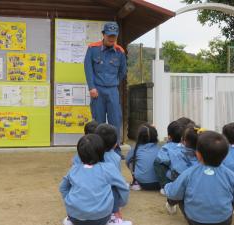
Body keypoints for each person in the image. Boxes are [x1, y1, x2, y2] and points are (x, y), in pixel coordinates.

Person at [165, 131, 234, 225]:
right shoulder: (229, 174)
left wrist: (167, 186)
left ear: (198, 154)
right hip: (223, 221)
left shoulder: (189, 173)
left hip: (195, 220)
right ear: (225, 155)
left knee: (180, 191)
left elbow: (173, 193)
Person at [59, 134, 131, 225]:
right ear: (102, 151)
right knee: (112, 188)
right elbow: (124, 187)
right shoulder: (108, 168)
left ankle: (70, 221)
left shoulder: (74, 169)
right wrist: (120, 204)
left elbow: (62, 187)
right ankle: (113, 221)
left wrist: (70, 202)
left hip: (75, 217)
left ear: (79, 153)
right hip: (101, 217)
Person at [84, 21, 127, 158]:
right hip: (97, 91)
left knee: (116, 120)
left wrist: (113, 83)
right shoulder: (92, 48)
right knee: (98, 121)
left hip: (112, 90)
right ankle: (98, 149)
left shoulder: (120, 52)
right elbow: (88, 69)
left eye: (114, 36)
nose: (111, 39)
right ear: (103, 34)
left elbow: (122, 72)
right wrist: (92, 87)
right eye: (109, 36)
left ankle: (116, 150)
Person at [165, 126, 201, 214]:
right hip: (201, 189)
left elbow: (178, 173)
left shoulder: (177, 153)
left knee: (175, 184)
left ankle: (171, 203)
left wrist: (167, 186)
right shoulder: (205, 156)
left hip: (186, 189)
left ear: (183, 141)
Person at [126, 124, 160, 191]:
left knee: (131, 160)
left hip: (143, 183)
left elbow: (127, 160)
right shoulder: (159, 148)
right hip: (159, 183)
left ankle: (136, 182)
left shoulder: (136, 148)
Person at [154, 120, 184, 195]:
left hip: (175, 176)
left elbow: (163, 160)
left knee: (157, 163)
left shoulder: (166, 147)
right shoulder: (187, 147)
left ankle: (165, 186)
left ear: (169, 137)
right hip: (187, 177)